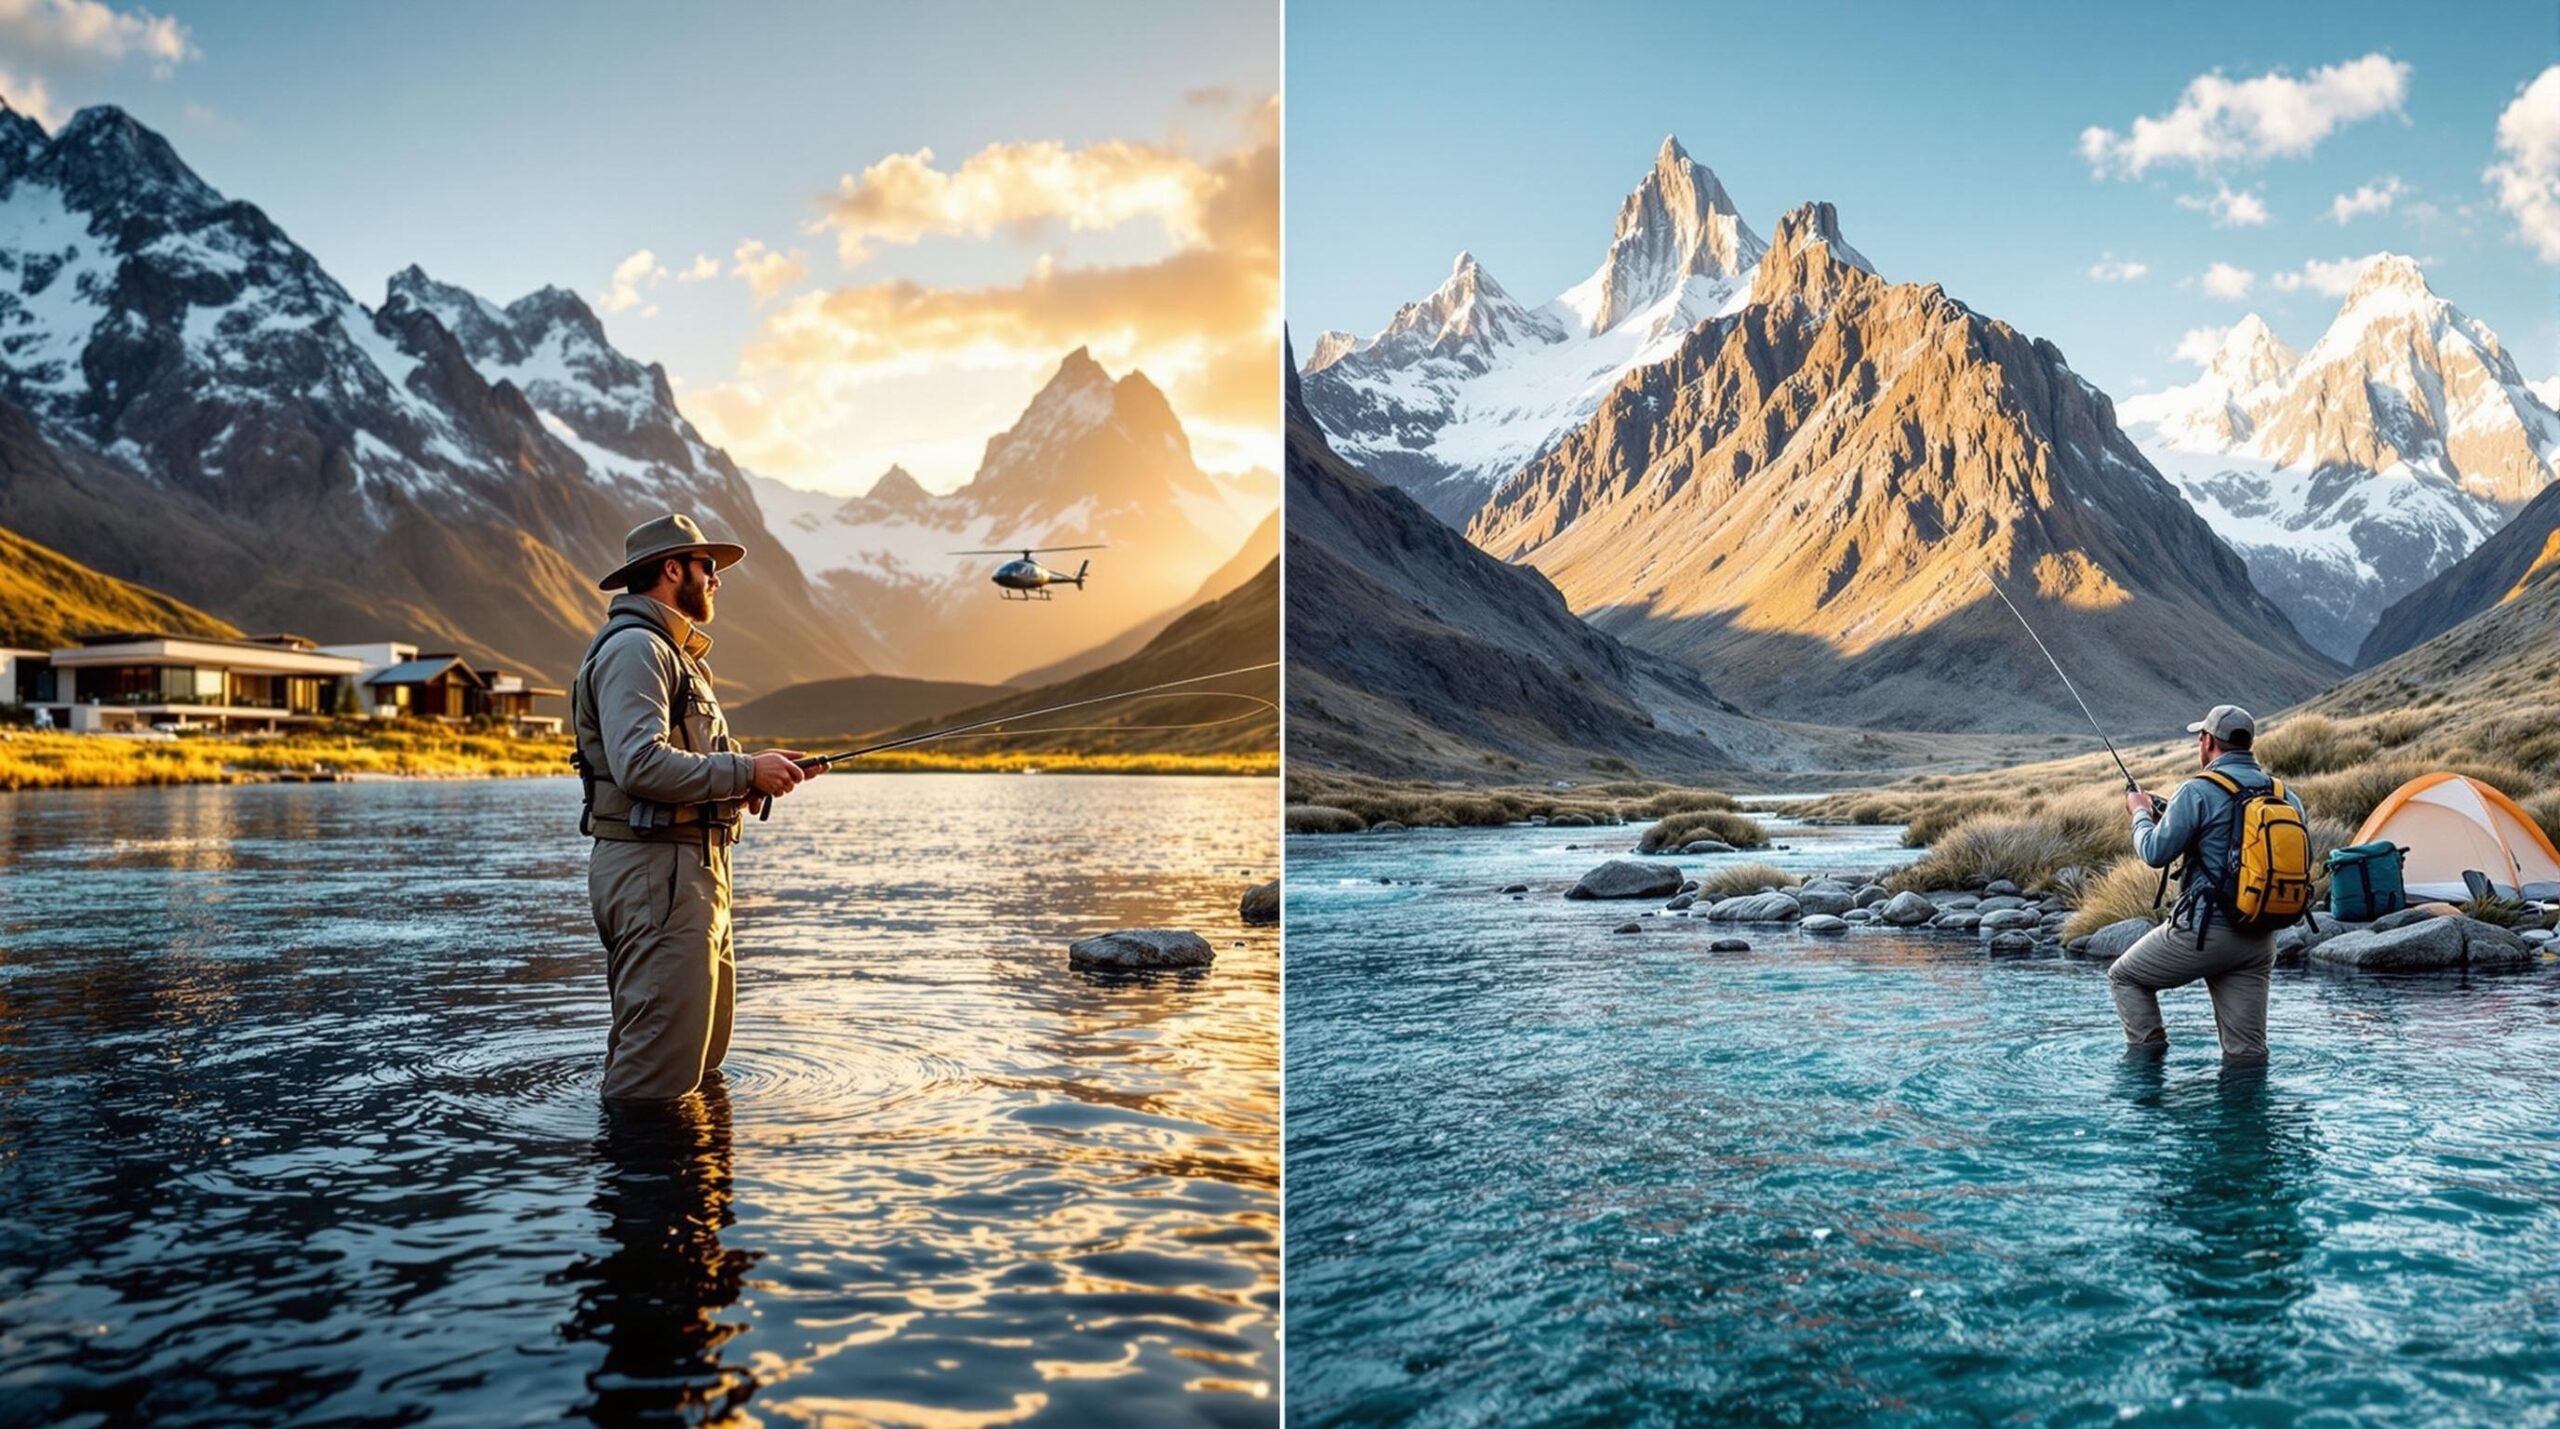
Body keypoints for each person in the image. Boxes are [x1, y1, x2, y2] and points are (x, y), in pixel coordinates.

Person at [572, 513, 815, 1100]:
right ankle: (637, 1163)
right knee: (655, 1074)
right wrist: (746, 770)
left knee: (696, 1063)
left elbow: (679, 762)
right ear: (672, 570)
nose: (716, 579)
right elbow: (639, 764)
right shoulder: (637, 649)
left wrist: (747, 781)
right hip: (658, 873)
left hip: (688, 872)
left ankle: (688, 1162)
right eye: (708, 566)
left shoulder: (671, 654)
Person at [2109, 703, 2304, 1061]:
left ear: (2208, 740)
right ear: (2247, 743)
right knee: (2247, 1053)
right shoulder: (2284, 795)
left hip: (2203, 934)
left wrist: (2139, 813)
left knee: (2125, 977)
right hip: (2260, 938)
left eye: (2201, 737)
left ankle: (2147, 1075)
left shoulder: (2197, 790)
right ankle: (2247, 1099)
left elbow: (2154, 852)